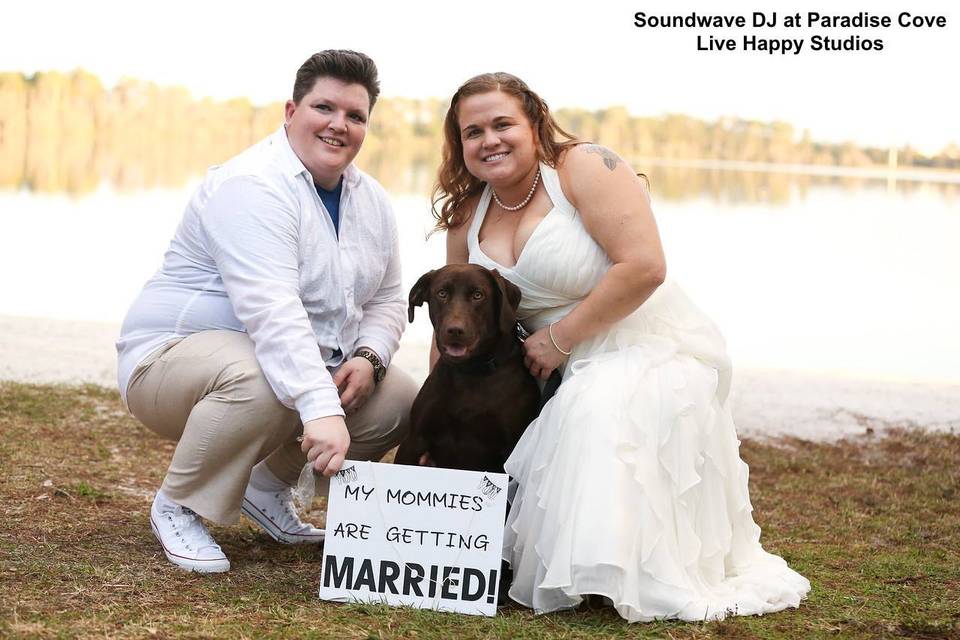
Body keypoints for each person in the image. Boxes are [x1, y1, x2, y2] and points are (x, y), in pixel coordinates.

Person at [433, 72, 810, 622]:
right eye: (472, 132)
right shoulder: (468, 213)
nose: (489, 140)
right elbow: (453, 319)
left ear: (534, 123)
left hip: (638, 343)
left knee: (593, 406)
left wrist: (561, 339)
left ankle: (608, 572)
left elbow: (647, 267)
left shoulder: (580, 169)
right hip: (538, 364)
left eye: (502, 124)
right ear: (459, 144)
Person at [116, 50, 417, 573]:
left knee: (398, 397)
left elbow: (388, 299)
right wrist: (321, 408)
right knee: (268, 377)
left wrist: (369, 357)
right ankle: (180, 504)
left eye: (355, 115)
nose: (338, 125)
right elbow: (272, 310)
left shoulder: (372, 201)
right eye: (324, 107)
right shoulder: (252, 184)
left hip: (271, 360)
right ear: (290, 111)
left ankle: (266, 487)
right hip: (167, 362)